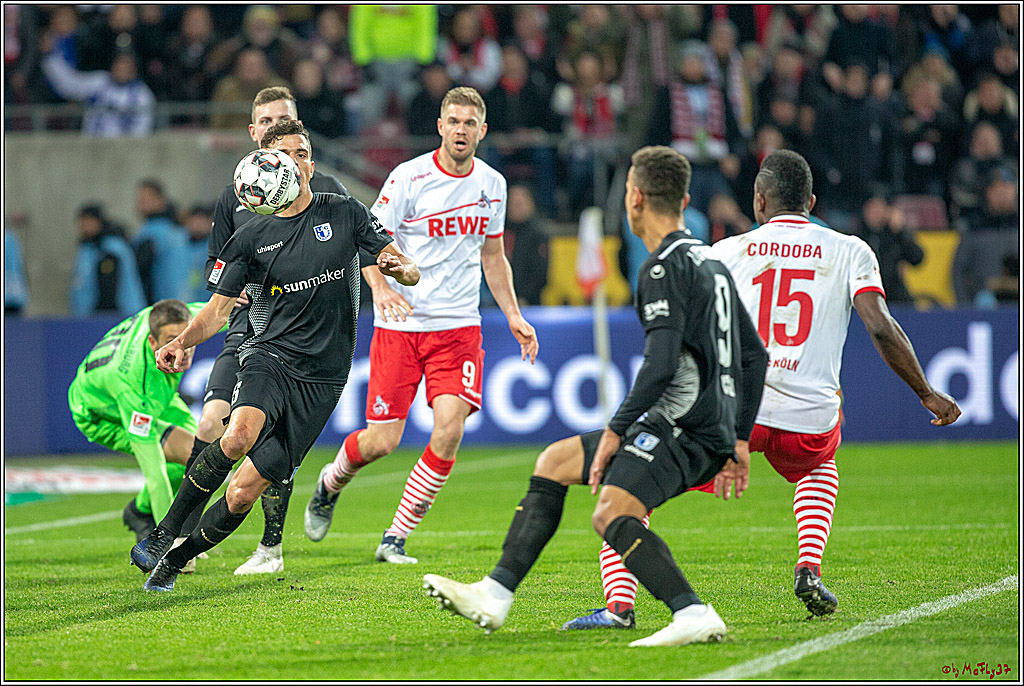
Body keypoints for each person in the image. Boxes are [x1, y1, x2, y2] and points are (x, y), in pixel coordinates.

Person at [562, 150, 961, 631]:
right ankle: (808, 566)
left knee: (628, 489)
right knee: (819, 466)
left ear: (758, 201)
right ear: (810, 202)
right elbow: (880, 325)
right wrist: (925, 391)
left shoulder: (724, 252)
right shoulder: (850, 249)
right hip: (808, 419)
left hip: (732, 414)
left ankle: (620, 607)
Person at [421, 145, 769, 647]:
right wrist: (739, 438)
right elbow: (754, 356)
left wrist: (615, 430)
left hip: (683, 426)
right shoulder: (710, 262)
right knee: (555, 461)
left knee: (610, 514)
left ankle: (692, 612)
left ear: (635, 198)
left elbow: (660, 365)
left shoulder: (660, 268)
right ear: (684, 200)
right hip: (706, 425)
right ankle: (495, 594)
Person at [130, 120, 419, 592]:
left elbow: (405, 266)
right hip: (270, 356)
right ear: (270, 166)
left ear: (311, 164)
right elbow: (217, 311)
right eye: (286, 155)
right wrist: (181, 341)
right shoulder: (250, 238)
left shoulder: (344, 211)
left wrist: (401, 269)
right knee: (237, 434)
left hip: (323, 379)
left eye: (303, 153)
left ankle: (178, 558)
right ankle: (164, 534)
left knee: (243, 492)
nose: (297, 162)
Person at [303, 87, 539, 564]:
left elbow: (493, 256)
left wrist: (514, 314)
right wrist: (380, 289)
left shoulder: (492, 185)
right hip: (401, 326)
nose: (460, 130)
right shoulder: (409, 178)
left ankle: (395, 537)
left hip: (458, 328)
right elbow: (366, 240)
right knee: (381, 441)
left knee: (449, 431)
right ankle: (331, 481)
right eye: (453, 121)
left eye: (469, 123)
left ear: (482, 131)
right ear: (440, 126)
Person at [192, 86, 351, 577]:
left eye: (283, 119)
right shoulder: (236, 193)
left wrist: (379, 286)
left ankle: (270, 546)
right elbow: (215, 265)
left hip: (295, 332)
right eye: (266, 121)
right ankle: (184, 535)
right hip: (244, 326)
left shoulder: (326, 189)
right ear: (254, 132)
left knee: (269, 441)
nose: (273, 127)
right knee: (210, 423)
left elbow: (356, 247)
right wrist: (230, 287)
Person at [68, 299, 207, 555]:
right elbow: (155, 476)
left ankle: (139, 511)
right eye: (173, 340)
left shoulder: (169, 322)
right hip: (104, 415)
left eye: (187, 337)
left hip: (157, 392)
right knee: (189, 456)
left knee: (202, 455)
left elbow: (217, 312)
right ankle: (146, 517)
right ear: (153, 343)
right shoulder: (134, 387)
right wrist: (170, 544)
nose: (184, 348)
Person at [70, 205, 146, 317]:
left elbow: (109, 286)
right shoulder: (88, 248)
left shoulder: (110, 249)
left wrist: (101, 315)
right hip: (89, 316)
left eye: (87, 222)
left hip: (114, 315)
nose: (83, 227)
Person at [133, 179, 190, 304]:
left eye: (145, 199)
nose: (140, 204)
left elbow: (140, 272)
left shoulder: (151, 234)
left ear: (160, 200)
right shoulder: (180, 231)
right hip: (184, 302)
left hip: (159, 305)